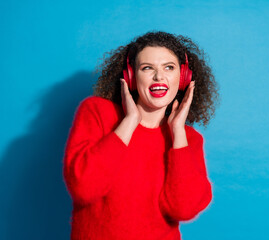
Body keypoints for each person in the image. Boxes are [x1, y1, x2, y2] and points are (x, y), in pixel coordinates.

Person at [63, 31, 219, 240]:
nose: (159, 76)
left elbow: (184, 209)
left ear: (182, 78)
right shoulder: (97, 112)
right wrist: (129, 122)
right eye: (147, 68)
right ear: (131, 76)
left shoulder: (188, 139)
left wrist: (178, 132)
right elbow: (85, 188)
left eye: (169, 68)